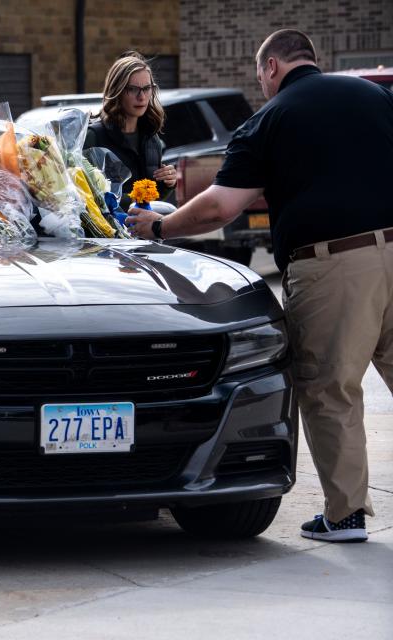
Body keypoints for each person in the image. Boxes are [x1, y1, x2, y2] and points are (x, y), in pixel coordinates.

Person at [126, 29, 393, 542]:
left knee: (329, 388)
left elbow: (220, 207)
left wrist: (158, 227)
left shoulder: (269, 121)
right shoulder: (375, 96)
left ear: (271, 67)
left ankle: (346, 516)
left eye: (259, 76)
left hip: (336, 265)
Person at [83, 52, 177, 208]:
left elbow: (154, 201)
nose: (142, 97)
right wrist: (134, 201)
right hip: (106, 231)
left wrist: (168, 183)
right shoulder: (94, 136)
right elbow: (86, 195)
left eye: (147, 88)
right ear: (117, 91)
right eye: (133, 89)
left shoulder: (152, 139)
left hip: (144, 230)